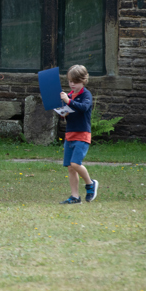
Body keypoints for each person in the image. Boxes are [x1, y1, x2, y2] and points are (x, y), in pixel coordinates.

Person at [59, 64, 99, 204]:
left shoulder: (85, 95)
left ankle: (90, 184)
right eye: (70, 81)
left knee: (75, 163)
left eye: (75, 82)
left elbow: (83, 108)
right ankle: (75, 197)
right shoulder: (69, 95)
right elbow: (67, 114)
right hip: (69, 135)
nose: (72, 84)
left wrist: (68, 101)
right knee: (70, 168)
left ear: (83, 81)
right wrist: (61, 111)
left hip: (82, 135)